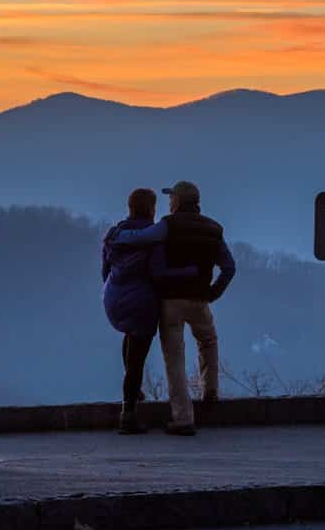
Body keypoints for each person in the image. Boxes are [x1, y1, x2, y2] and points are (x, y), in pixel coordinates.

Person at [114, 179, 235, 435]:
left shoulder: (167, 226)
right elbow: (229, 267)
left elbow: (141, 238)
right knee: (208, 341)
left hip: (171, 302)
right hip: (200, 300)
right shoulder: (214, 228)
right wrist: (213, 292)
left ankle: (182, 419)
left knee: (174, 359)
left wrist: (118, 235)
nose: (169, 202)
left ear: (178, 201)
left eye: (171, 198)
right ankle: (210, 391)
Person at [101, 187, 197, 434]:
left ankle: (135, 394)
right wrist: (187, 272)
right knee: (137, 360)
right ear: (151, 208)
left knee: (129, 340)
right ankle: (128, 415)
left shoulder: (114, 233)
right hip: (140, 302)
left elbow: (105, 269)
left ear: (130, 207)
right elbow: (158, 273)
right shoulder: (153, 238)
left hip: (113, 298)